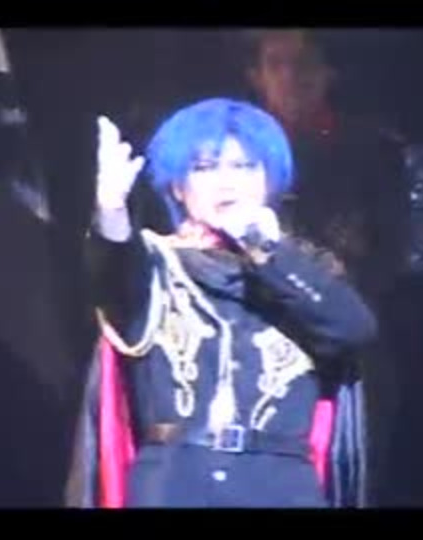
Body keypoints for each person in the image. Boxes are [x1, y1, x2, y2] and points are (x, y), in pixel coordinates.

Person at [65, 97, 377, 508]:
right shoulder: (155, 265)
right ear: (178, 187)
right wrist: (110, 210)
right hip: (173, 484)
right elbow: (110, 273)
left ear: (270, 182)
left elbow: (353, 329)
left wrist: (265, 249)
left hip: (280, 487)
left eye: (244, 166)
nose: (226, 182)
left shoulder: (304, 268)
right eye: (205, 167)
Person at [243, 29, 411, 506]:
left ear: (328, 72)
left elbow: (389, 254)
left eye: (304, 63)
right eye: (277, 63)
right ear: (256, 76)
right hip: (255, 352)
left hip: (350, 354)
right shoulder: (235, 154)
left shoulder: (372, 150)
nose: (292, 76)